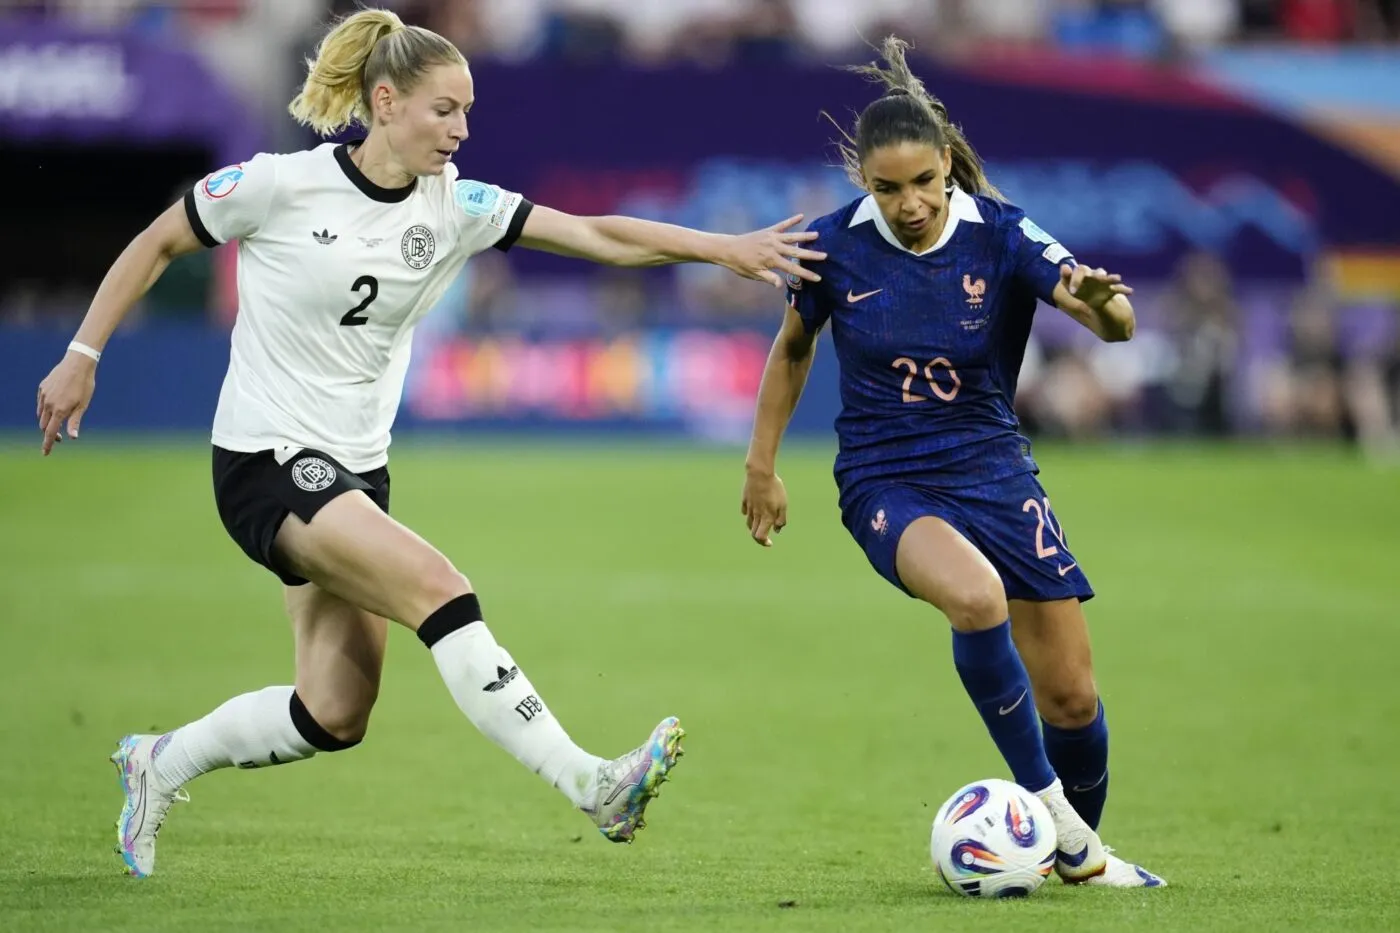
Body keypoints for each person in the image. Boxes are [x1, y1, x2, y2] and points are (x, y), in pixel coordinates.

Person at [33, 8, 825, 879]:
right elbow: (159, 240)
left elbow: (597, 232)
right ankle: (591, 782)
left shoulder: (456, 206)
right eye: (445, 110)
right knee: (440, 588)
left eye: (467, 112)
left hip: (355, 474)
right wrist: (82, 355)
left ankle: (161, 760)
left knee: (335, 710)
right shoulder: (278, 184)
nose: (461, 130)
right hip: (266, 460)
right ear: (386, 102)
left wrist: (723, 250)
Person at [739, 37, 1164, 888]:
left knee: (1073, 697)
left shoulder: (1001, 235)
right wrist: (761, 466)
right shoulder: (832, 245)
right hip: (886, 477)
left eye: (924, 182)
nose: (910, 204)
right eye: (888, 188)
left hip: (995, 470)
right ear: (864, 181)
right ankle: (1066, 831)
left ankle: (1074, 856)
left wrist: (1107, 309)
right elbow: (793, 349)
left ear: (947, 165)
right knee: (975, 598)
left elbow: (1110, 322)